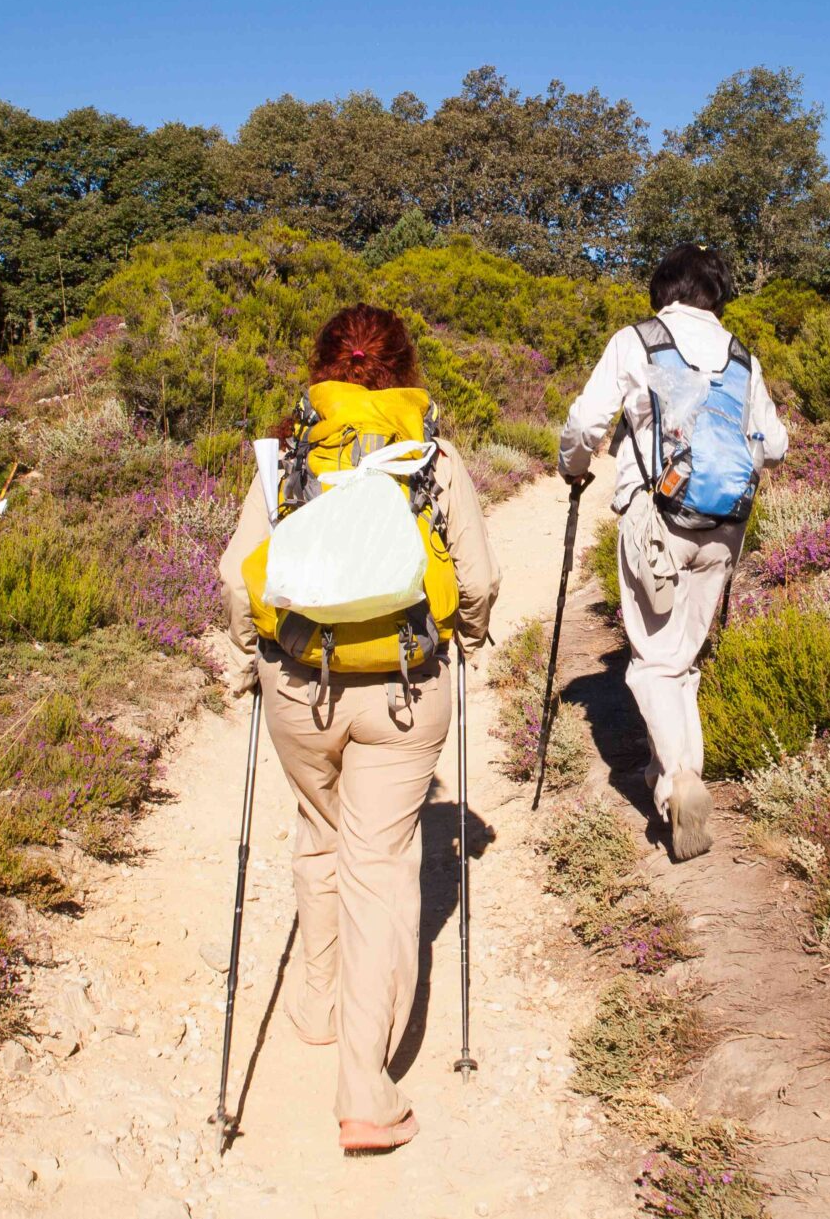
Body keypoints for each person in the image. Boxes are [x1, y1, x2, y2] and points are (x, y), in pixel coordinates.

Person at [218, 304, 498, 1153]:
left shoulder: (290, 452)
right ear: (405, 368)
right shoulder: (435, 454)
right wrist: (472, 638)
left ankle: (316, 1004)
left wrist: (257, 648)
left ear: (325, 367)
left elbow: (239, 578)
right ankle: (366, 1095)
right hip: (407, 689)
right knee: (379, 864)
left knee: (318, 827)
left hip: (301, 683)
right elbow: (477, 579)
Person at [557, 244, 788, 862]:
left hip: (654, 518)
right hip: (724, 525)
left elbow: (586, 424)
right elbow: (775, 443)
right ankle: (675, 774)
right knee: (683, 660)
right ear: (717, 293)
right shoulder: (743, 357)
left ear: (665, 289)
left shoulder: (637, 340)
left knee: (653, 661)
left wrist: (572, 468)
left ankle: (680, 781)